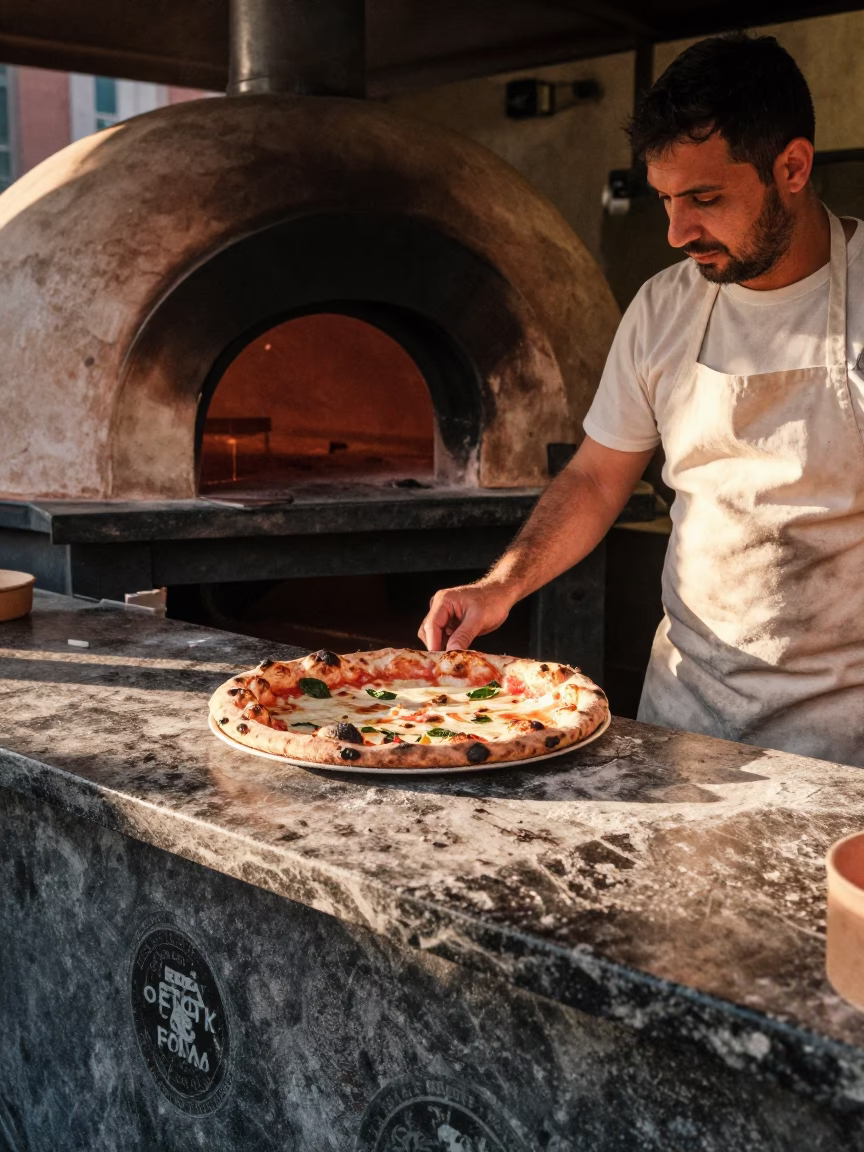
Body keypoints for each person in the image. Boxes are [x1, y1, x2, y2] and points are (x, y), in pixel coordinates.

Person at [418, 32, 864, 766]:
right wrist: (501, 586)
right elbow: (596, 478)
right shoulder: (663, 307)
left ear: (792, 166)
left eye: (705, 198)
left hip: (842, 746)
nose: (676, 231)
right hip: (683, 722)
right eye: (663, 199)